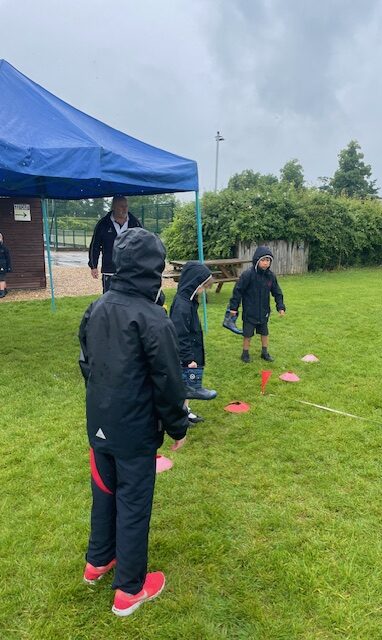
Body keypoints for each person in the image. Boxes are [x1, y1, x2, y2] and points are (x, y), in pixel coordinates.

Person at [79, 228, 189, 617]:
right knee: (131, 503)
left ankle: (98, 560)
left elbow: (87, 365)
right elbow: (168, 380)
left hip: (100, 427)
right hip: (133, 432)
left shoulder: (97, 308)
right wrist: (177, 426)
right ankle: (128, 588)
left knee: (105, 492)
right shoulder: (152, 318)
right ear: (151, 270)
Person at [169, 261, 217, 424]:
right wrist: (188, 359)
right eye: (202, 286)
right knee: (183, 386)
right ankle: (178, 416)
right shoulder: (182, 305)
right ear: (193, 282)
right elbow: (180, 334)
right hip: (184, 357)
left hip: (191, 352)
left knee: (188, 386)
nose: (203, 291)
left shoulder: (189, 301)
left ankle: (185, 411)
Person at [229, 246, 286, 363]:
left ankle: (265, 352)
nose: (266, 263)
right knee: (247, 334)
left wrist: (280, 306)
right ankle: (245, 353)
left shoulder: (270, 276)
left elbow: (277, 292)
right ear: (257, 260)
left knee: (264, 333)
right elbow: (238, 291)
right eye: (263, 260)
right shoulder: (248, 275)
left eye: (268, 260)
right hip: (250, 312)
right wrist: (234, 307)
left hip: (264, 311)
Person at [88, 195, 142, 293]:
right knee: (109, 297)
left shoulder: (135, 223)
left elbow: (143, 243)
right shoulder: (103, 224)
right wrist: (93, 266)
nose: (124, 209)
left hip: (130, 269)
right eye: (121, 206)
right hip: (110, 269)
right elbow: (95, 246)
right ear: (114, 207)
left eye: (126, 206)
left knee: (130, 297)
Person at [0, 233, 12, 298]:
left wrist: (9, 267)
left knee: (1, 279)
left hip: (2, 265)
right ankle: (4, 290)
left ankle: (2, 292)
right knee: (1, 278)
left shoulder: (4, 248)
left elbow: (8, 258)